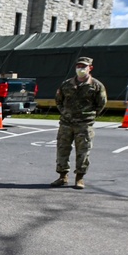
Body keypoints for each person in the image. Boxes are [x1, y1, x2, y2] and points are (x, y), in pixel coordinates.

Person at [51, 56, 107, 190]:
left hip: (84, 124)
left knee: (83, 151)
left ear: (90, 68)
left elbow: (101, 104)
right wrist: (65, 112)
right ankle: (62, 176)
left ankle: (79, 178)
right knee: (62, 149)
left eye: (83, 66)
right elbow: (59, 100)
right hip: (66, 123)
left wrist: (89, 115)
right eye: (78, 66)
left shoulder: (96, 85)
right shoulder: (66, 84)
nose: (80, 69)